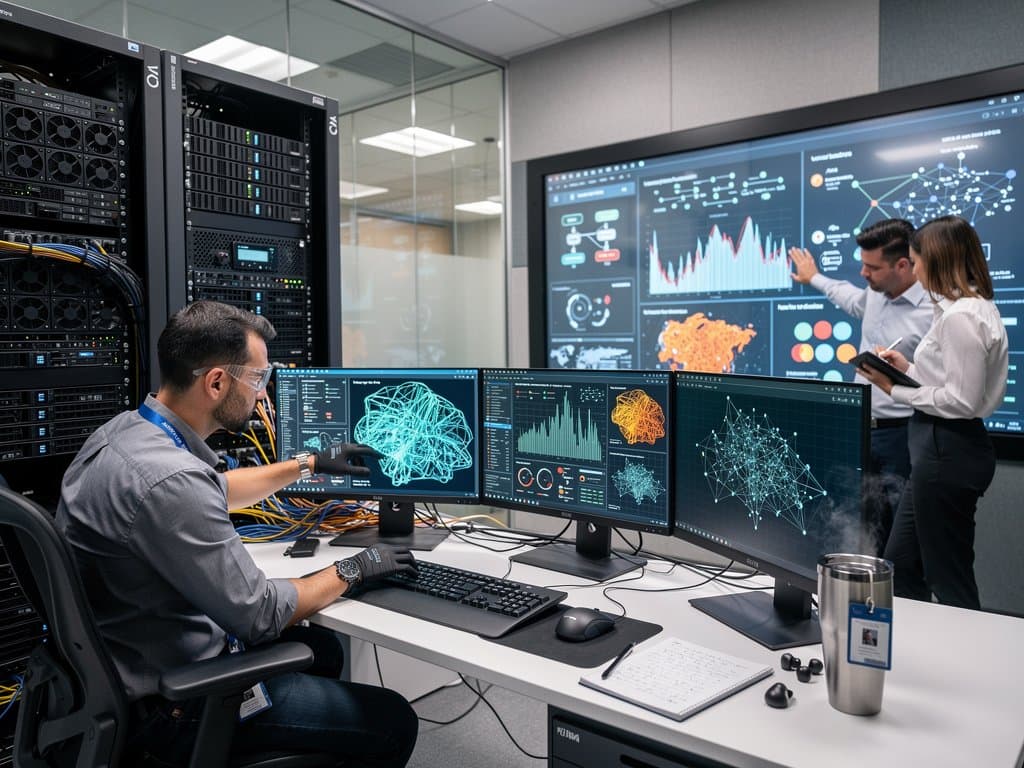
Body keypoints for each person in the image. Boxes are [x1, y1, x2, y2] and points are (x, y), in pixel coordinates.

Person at [56, 300, 420, 766]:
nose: (263, 396)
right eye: (258, 379)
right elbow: (259, 614)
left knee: (322, 649)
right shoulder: (171, 480)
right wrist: (354, 568)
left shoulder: (125, 435)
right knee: (392, 720)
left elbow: (216, 489)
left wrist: (308, 464)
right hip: (173, 706)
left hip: (120, 671)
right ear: (216, 382)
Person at [857, 215, 1008, 609]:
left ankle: (969, 646)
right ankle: (917, 640)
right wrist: (905, 369)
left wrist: (895, 390)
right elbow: (948, 380)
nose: (915, 269)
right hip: (936, 446)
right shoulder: (962, 309)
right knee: (903, 564)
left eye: (916, 260)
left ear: (935, 260)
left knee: (947, 574)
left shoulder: (962, 317)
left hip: (948, 448)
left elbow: (962, 401)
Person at [789, 218, 932, 553]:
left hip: (903, 435)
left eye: (873, 268)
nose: (864, 274)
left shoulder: (934, 311)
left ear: (902, 264)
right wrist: (815, 278)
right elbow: (852, 299)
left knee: (899, 541)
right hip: (861, 430)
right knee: (857, 531)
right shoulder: (876, 294)